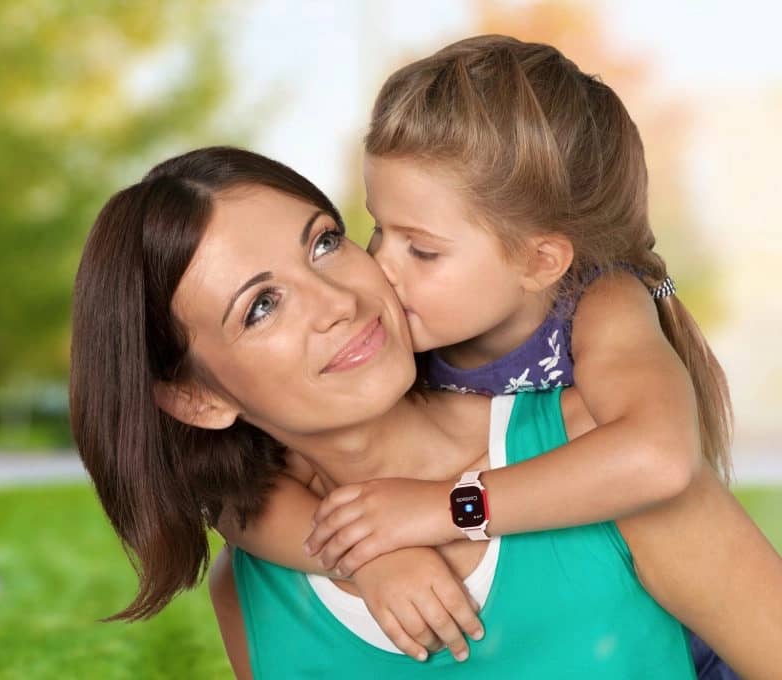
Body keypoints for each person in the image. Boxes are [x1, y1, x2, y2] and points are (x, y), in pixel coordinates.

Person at [69, 146, 782, 679]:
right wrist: (372, 552)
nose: (338, 302)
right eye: (261, 306)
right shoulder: (252, 591)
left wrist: (447, 511)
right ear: (196, 398)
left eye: (324, 242)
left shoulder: (599, 453)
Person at [232, 35, 736, 676]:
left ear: (540, 261)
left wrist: (443, 508)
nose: (381, 266)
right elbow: (234, 492)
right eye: (378, 229)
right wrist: (369, 554)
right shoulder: (396, 341)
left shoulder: (602, 304)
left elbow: (659, 458)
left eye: (422, 250)